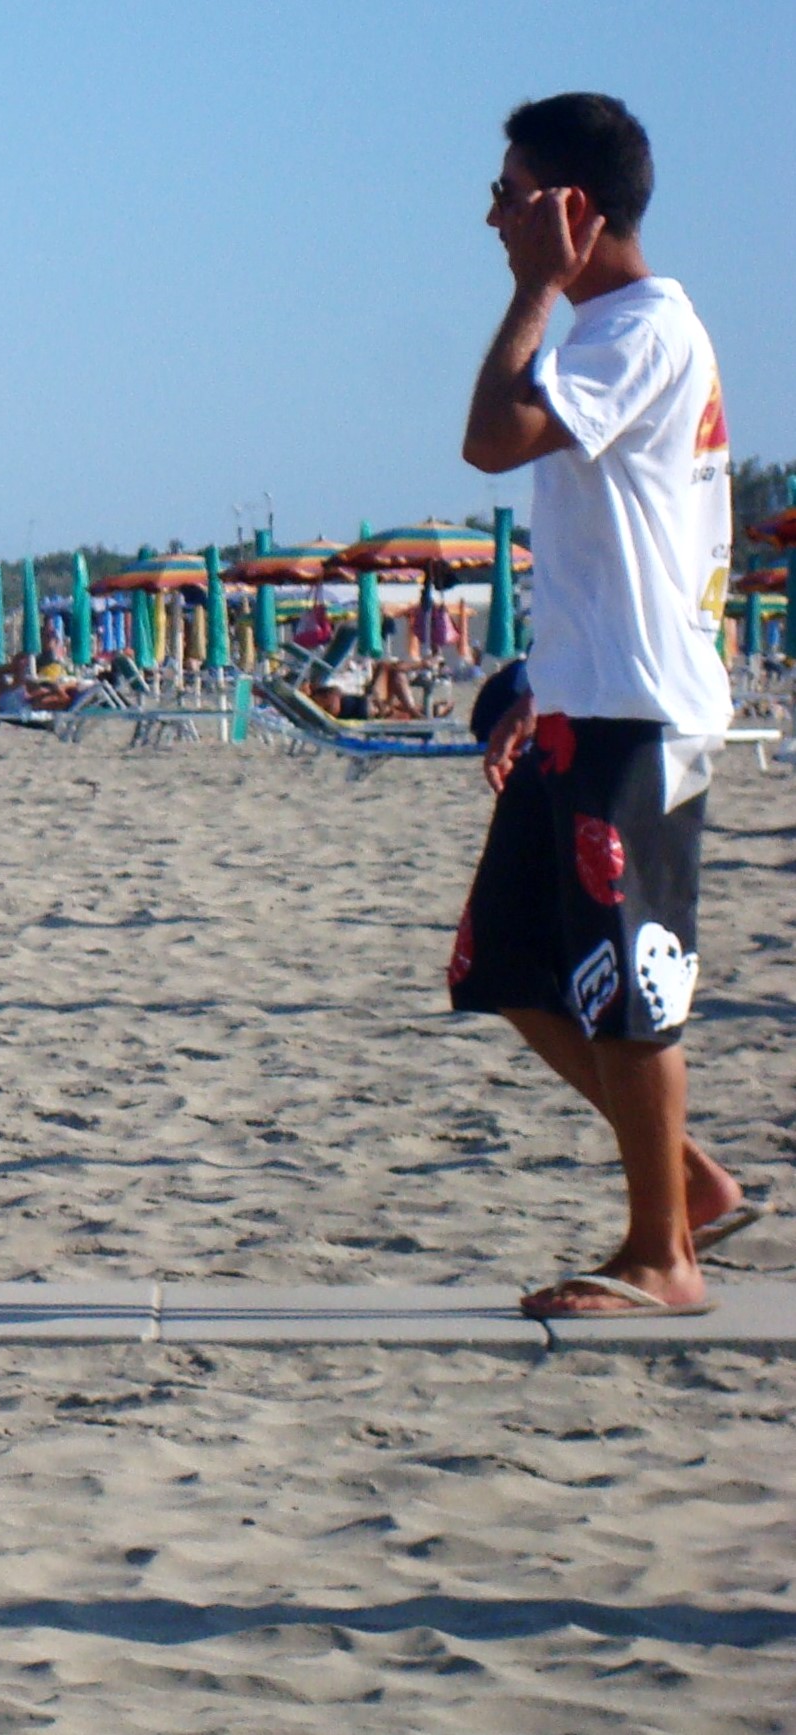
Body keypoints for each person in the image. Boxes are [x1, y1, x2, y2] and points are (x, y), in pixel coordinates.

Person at [454, 94, 749, 1319]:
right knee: (507, 964)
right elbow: (614, 548)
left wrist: (532, 290)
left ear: (572, 208)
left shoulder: (636, 329)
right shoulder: (610, 334)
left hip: (636, 712)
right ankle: (686, 1183)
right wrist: (533, 684)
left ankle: (660, 1254)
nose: (492, 215)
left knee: (630, 986)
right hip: (587, 698)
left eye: (511, 193)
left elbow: (489, 438)